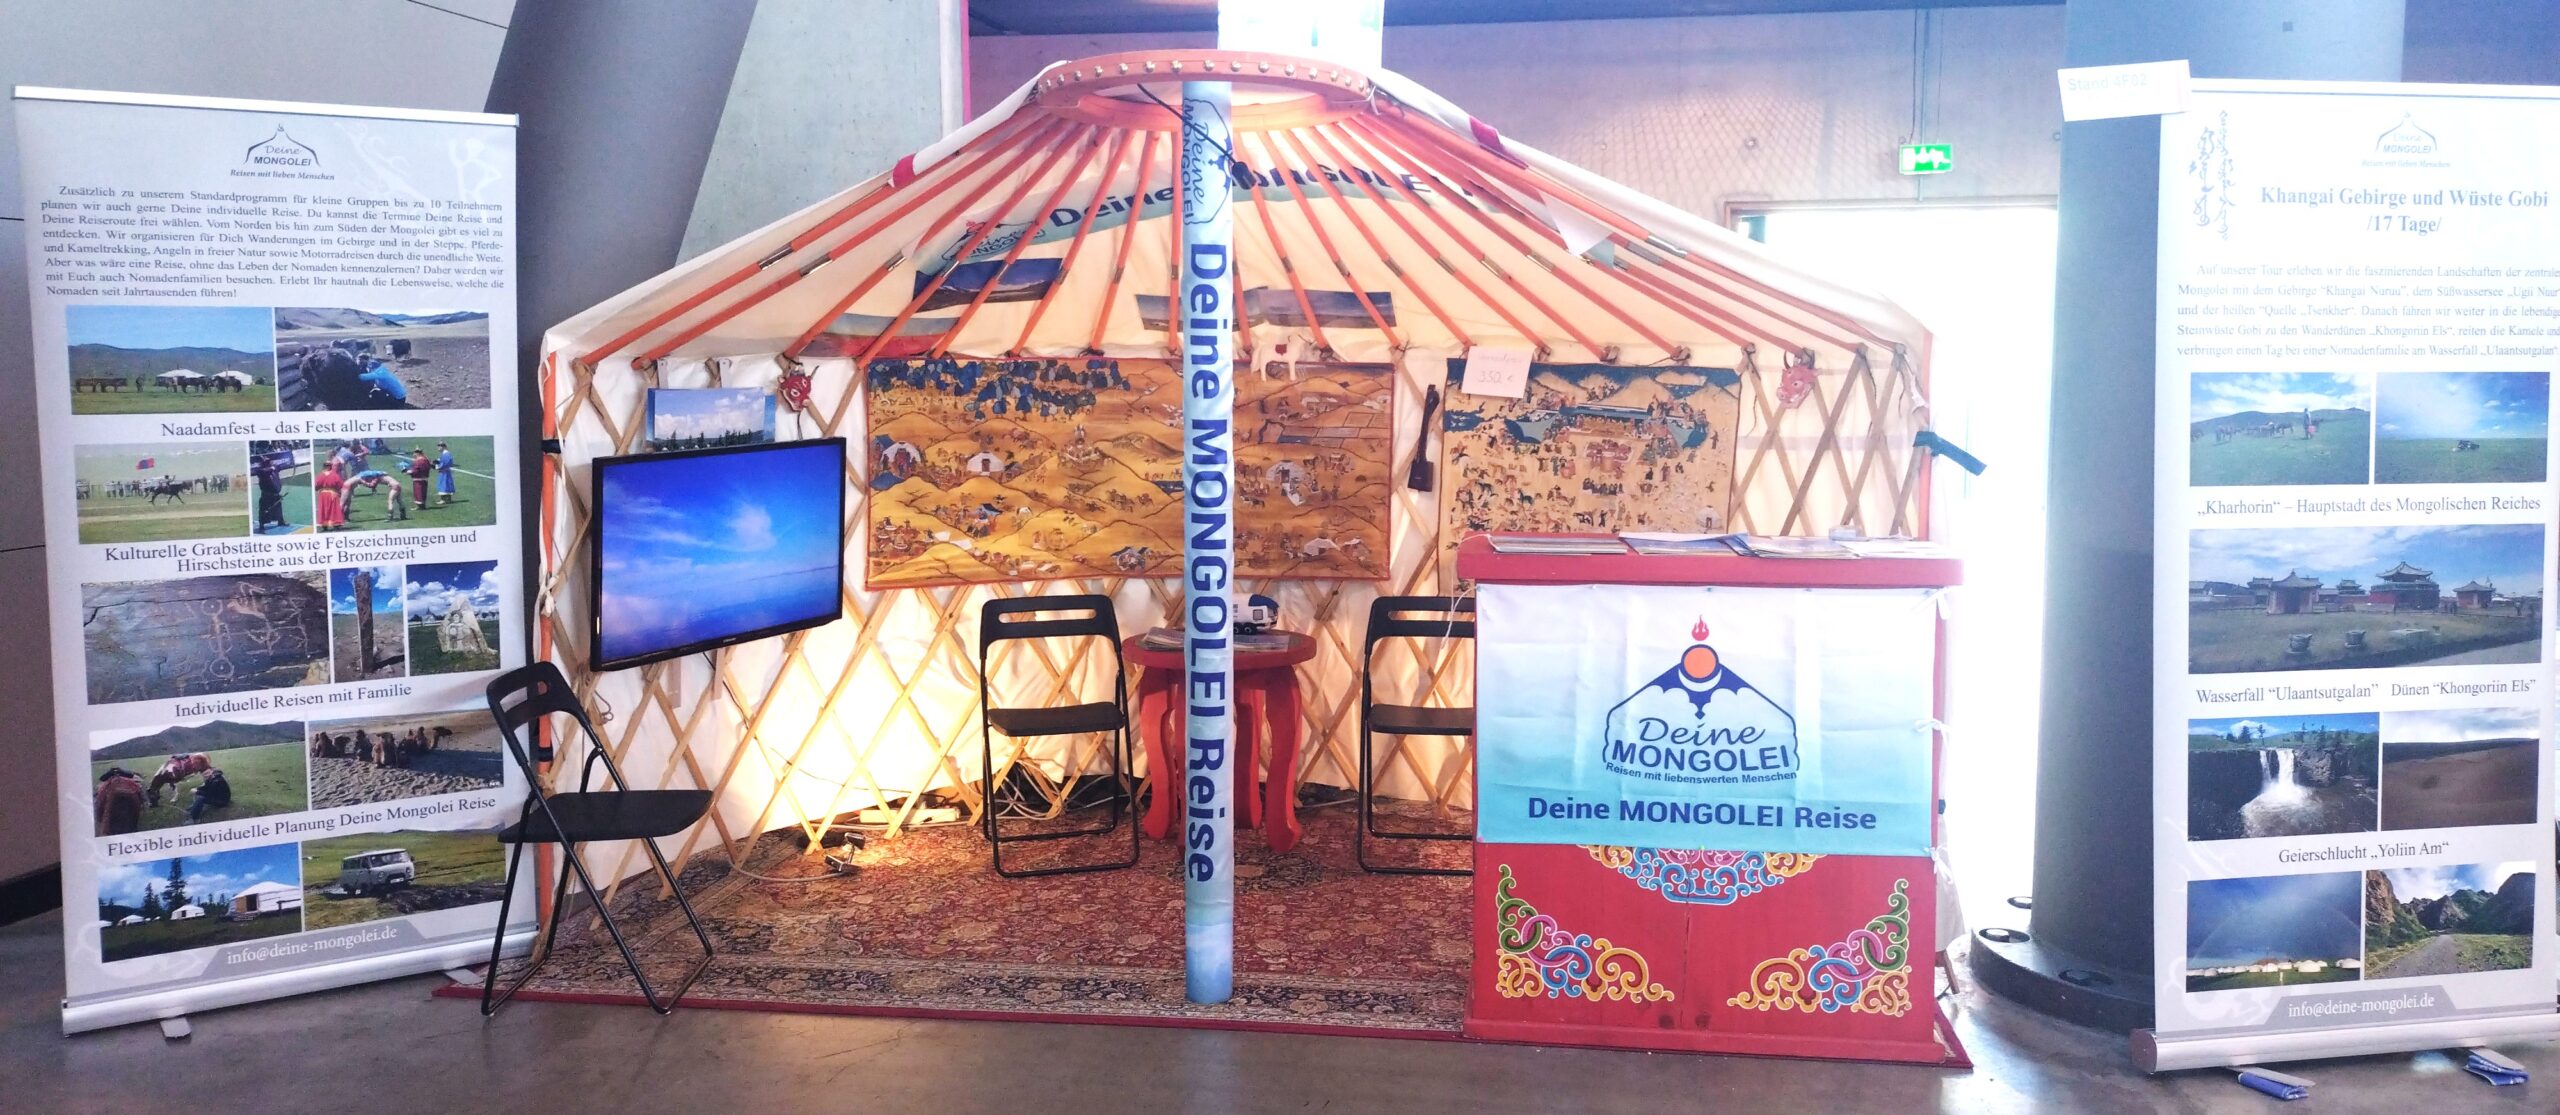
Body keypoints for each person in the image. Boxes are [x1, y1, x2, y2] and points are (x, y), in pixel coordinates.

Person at [313, 457, 345, 531]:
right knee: (334, 509)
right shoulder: (334, 475)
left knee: (324, 509)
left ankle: (325, 525)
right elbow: (340, 484)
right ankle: (335, 524)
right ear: (330, 466)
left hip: (323, 494)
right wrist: (337, 490)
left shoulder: (320, 475)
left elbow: (317, 485)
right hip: (332, 493)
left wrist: (319, 489)